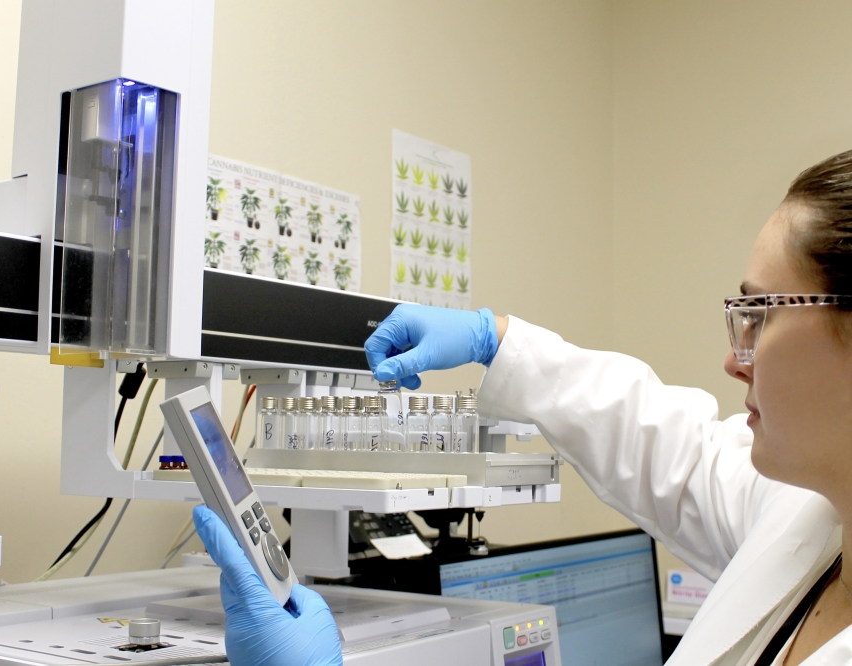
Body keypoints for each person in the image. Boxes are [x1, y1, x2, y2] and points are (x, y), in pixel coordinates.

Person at [194, 148, 852, 665]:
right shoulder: (812, 515)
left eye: (760, 315)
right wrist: (496, 338)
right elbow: (674, 455)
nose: (736, 358)